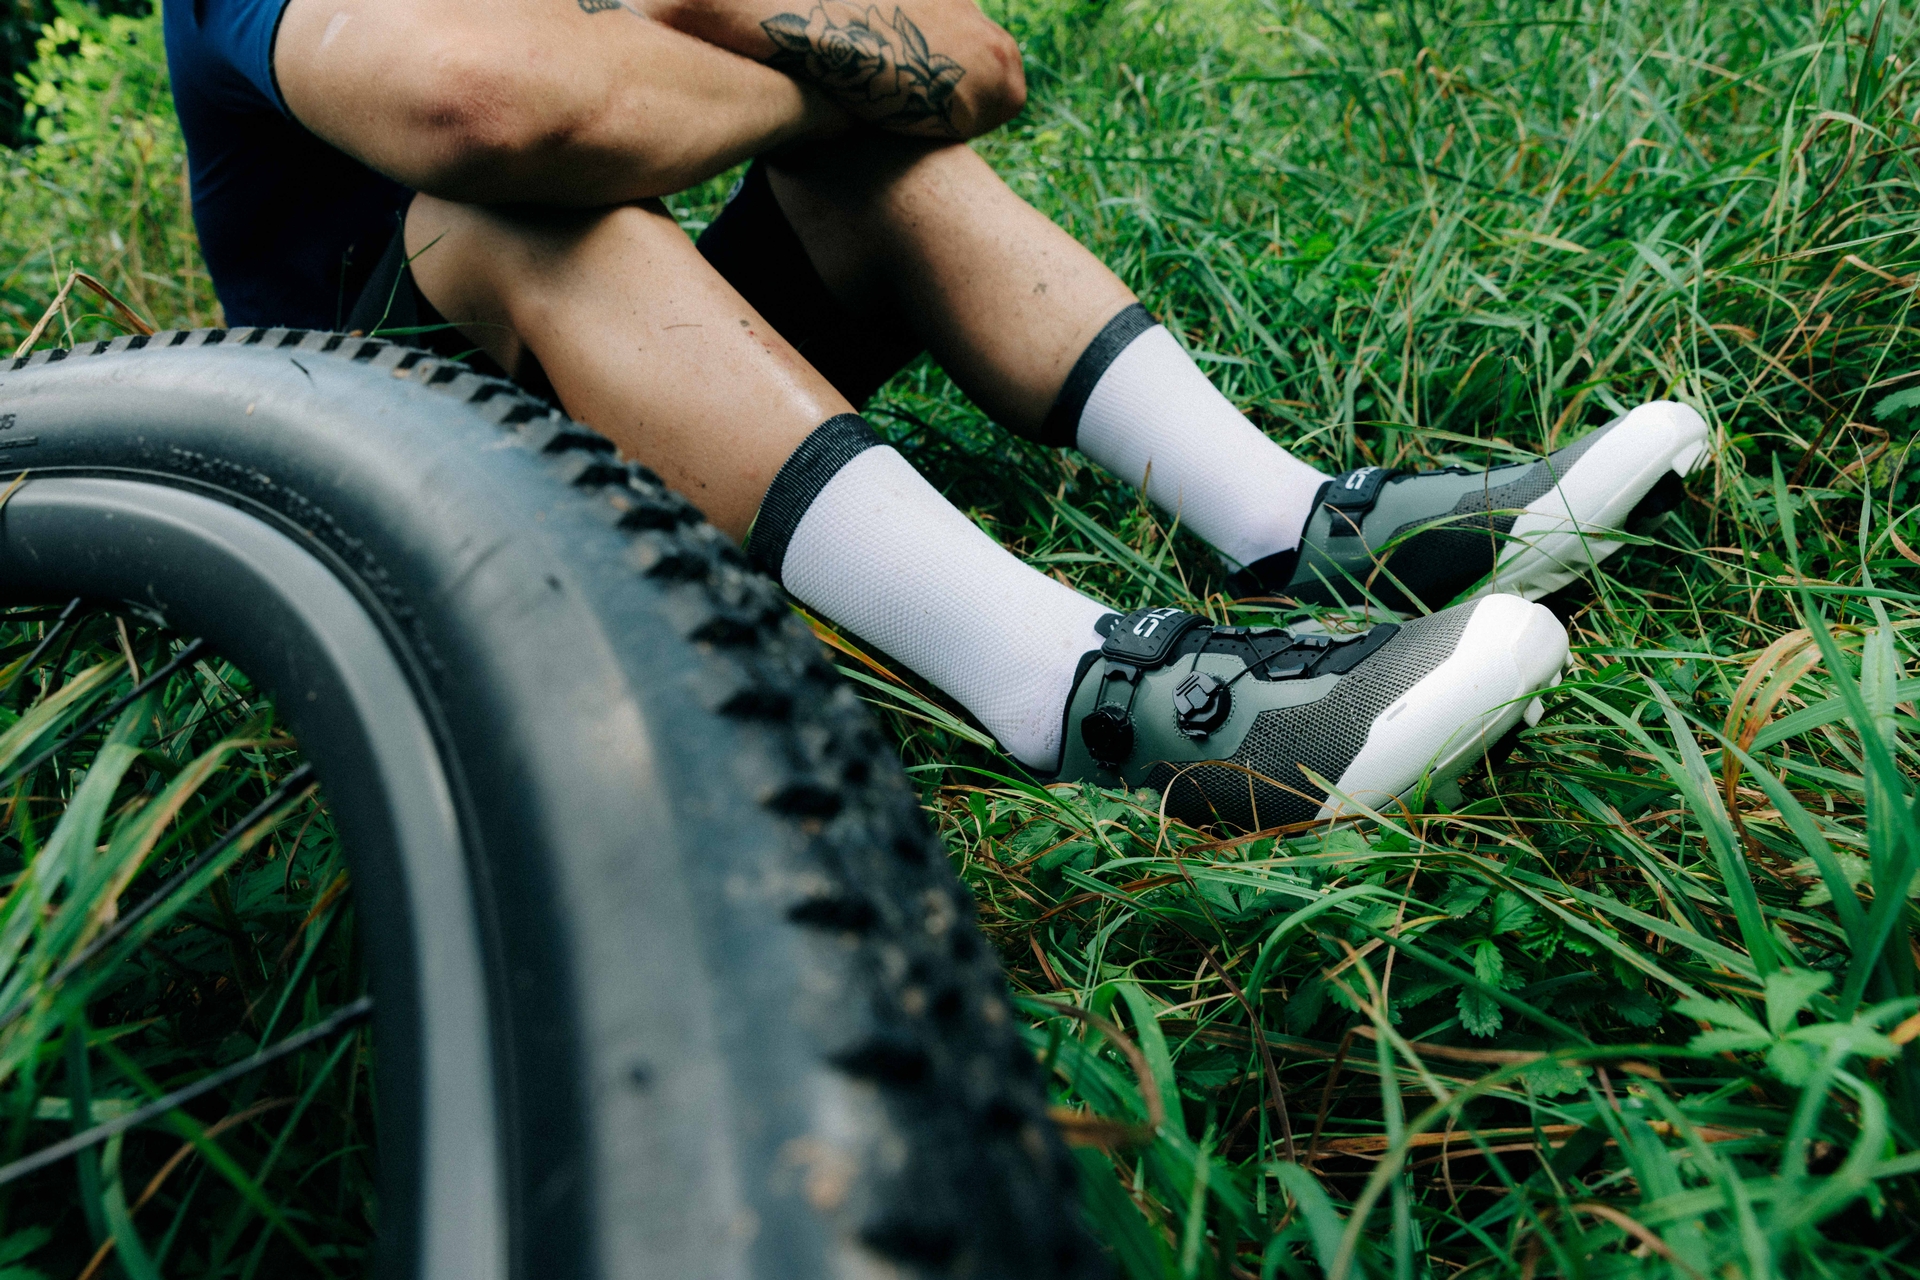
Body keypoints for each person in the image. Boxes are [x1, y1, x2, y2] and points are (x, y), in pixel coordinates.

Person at [163, 0, 1709, 828]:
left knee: (872, 151)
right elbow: (492, 106)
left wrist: (715, 58)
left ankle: (1291, 522)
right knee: (517, 208)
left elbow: (972, 58)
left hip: (629, 422)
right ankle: (1081, 693)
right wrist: (749, 64)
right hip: (408, 511)